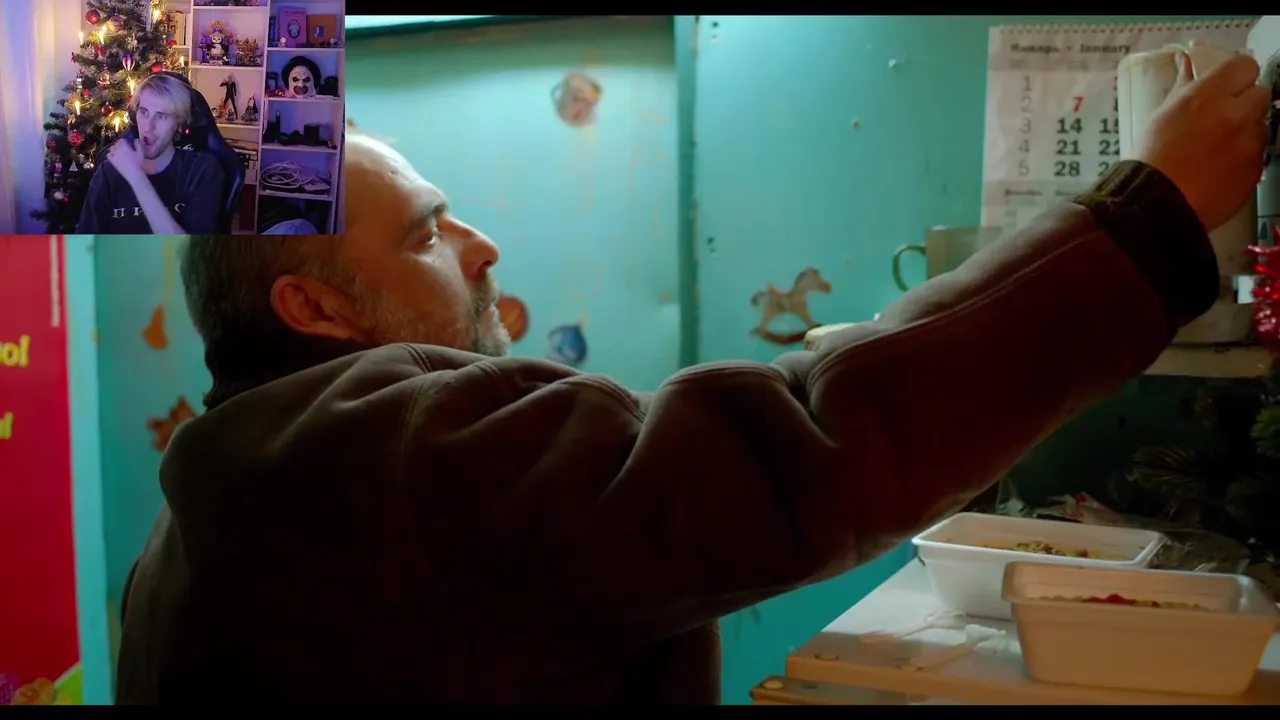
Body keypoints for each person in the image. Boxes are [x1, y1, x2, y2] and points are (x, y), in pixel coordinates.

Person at [116, 53, 1270, 704]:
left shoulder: (200, 518)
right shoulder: (374, 448)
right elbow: (794, 450)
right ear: (311, 308)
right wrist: (1146, 219)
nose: (481, 245)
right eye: (425, 233)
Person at [76, 73, 225, 234]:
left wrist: (137, 178)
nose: (148, 127)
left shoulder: (202, 170)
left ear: (179, 123)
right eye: (144, 112)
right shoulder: (109, 172)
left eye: (161, 116)